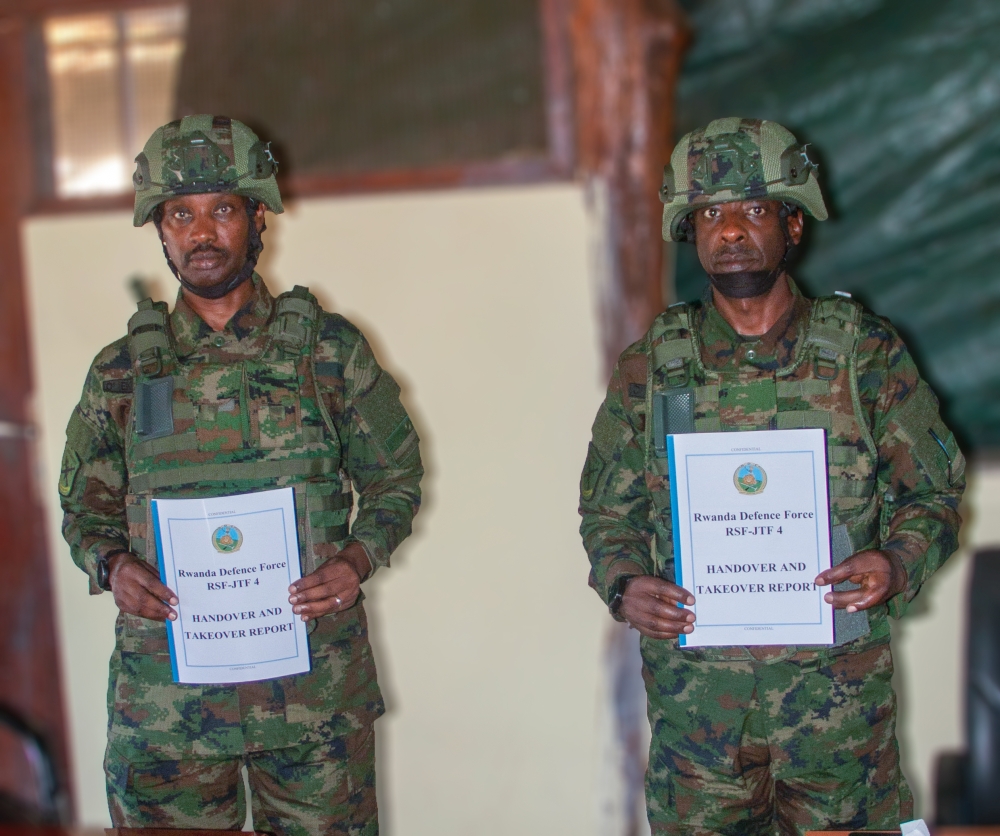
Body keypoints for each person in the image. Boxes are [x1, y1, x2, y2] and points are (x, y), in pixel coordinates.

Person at [579, 117, 964, 834]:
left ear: (793, 224)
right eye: (710, 214)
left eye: (753, 210)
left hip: (838, 725)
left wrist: (895, 561)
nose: (730, 230)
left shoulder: (862, 353)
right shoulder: (653, 364)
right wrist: (626, 585)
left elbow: (933, 493)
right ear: (689, 233)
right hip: (700, 729)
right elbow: (608, 513)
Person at [59, 115, 422, 836]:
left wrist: (357, 560)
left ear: (258, 217)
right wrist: (111, 566)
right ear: (159, 231)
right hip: (169, 707)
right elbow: (83, 510)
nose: (201, 233)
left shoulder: (328, 352)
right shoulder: (122, 372)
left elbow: (396, 480)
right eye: (179, 214)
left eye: (221, 210)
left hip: (311, 697)